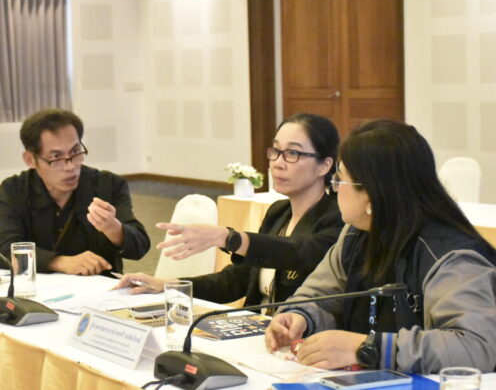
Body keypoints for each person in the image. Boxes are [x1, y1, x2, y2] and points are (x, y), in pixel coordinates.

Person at [265, 120, 496, 374]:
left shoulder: (451, 256)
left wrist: (367, 348)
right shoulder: (355, 234)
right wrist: (300, 317)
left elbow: (476, 346)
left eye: (340, 180)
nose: (334, 188)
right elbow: (319, 297)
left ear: (372, 195)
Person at [115, 114, 344, 309]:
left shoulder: (338, 218)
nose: (277, 163)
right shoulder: (278, 212)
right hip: (257, 329)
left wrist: (229, 237)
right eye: (276, 150)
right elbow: (236, 281)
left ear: (324, 165)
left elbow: (298, 252)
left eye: (292, 153)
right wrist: (167, 285)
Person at [0, 108, 150, 275]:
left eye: (75, 152)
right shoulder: (15, 189)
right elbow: (2, 250)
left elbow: (140, 246)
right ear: (30, 160)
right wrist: (58, 262)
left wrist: (114, 229)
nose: (70, 166)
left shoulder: (108, 185)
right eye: (56, 157)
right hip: (39, 286)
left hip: (99, 286)